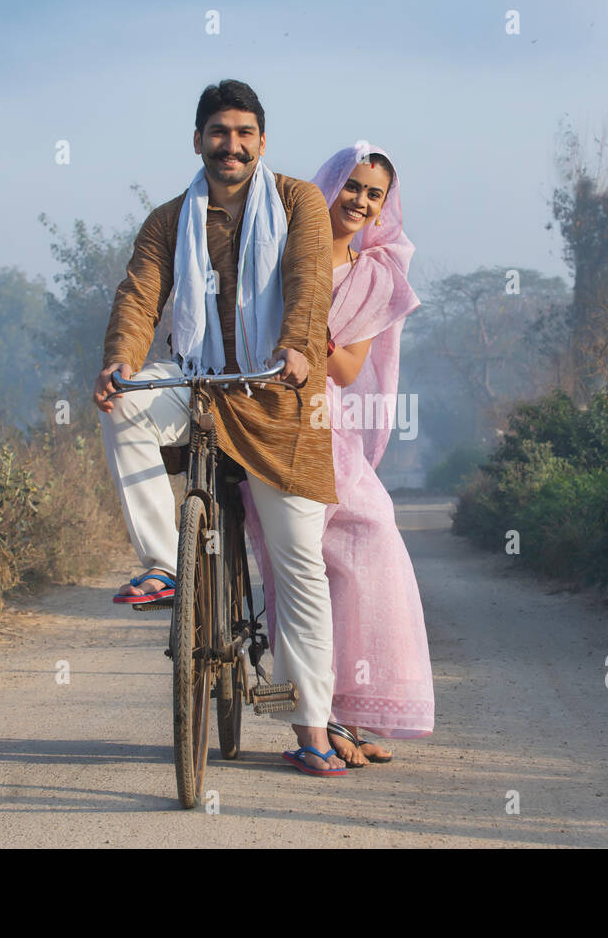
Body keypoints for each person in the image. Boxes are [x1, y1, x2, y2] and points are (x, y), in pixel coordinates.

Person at [93, 79, 347, 776]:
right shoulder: (168, 219)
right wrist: (119, 362)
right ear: (198, 139)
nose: (229, 145)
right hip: (200, 388)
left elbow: (308, 281)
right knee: (125, 402)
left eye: (243, 133)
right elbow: (140, 294)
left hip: (277, 400)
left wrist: (297, 346)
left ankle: (311, 728)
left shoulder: (299, 203)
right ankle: (162, 565)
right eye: (217, 131)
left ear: (261, 142)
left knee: (298, 570)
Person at [240, 142, 434, 767]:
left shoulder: (376, 277)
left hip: (329, 418)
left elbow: (349, 369)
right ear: (329, 186)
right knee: (300, 566)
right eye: (351, 186)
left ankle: (352, 712)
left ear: (383, 208)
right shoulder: (278, 254)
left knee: (373, 538)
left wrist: (309, 334)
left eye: (373, 194)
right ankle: (312, 720)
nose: (359, 201)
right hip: (269, 410)